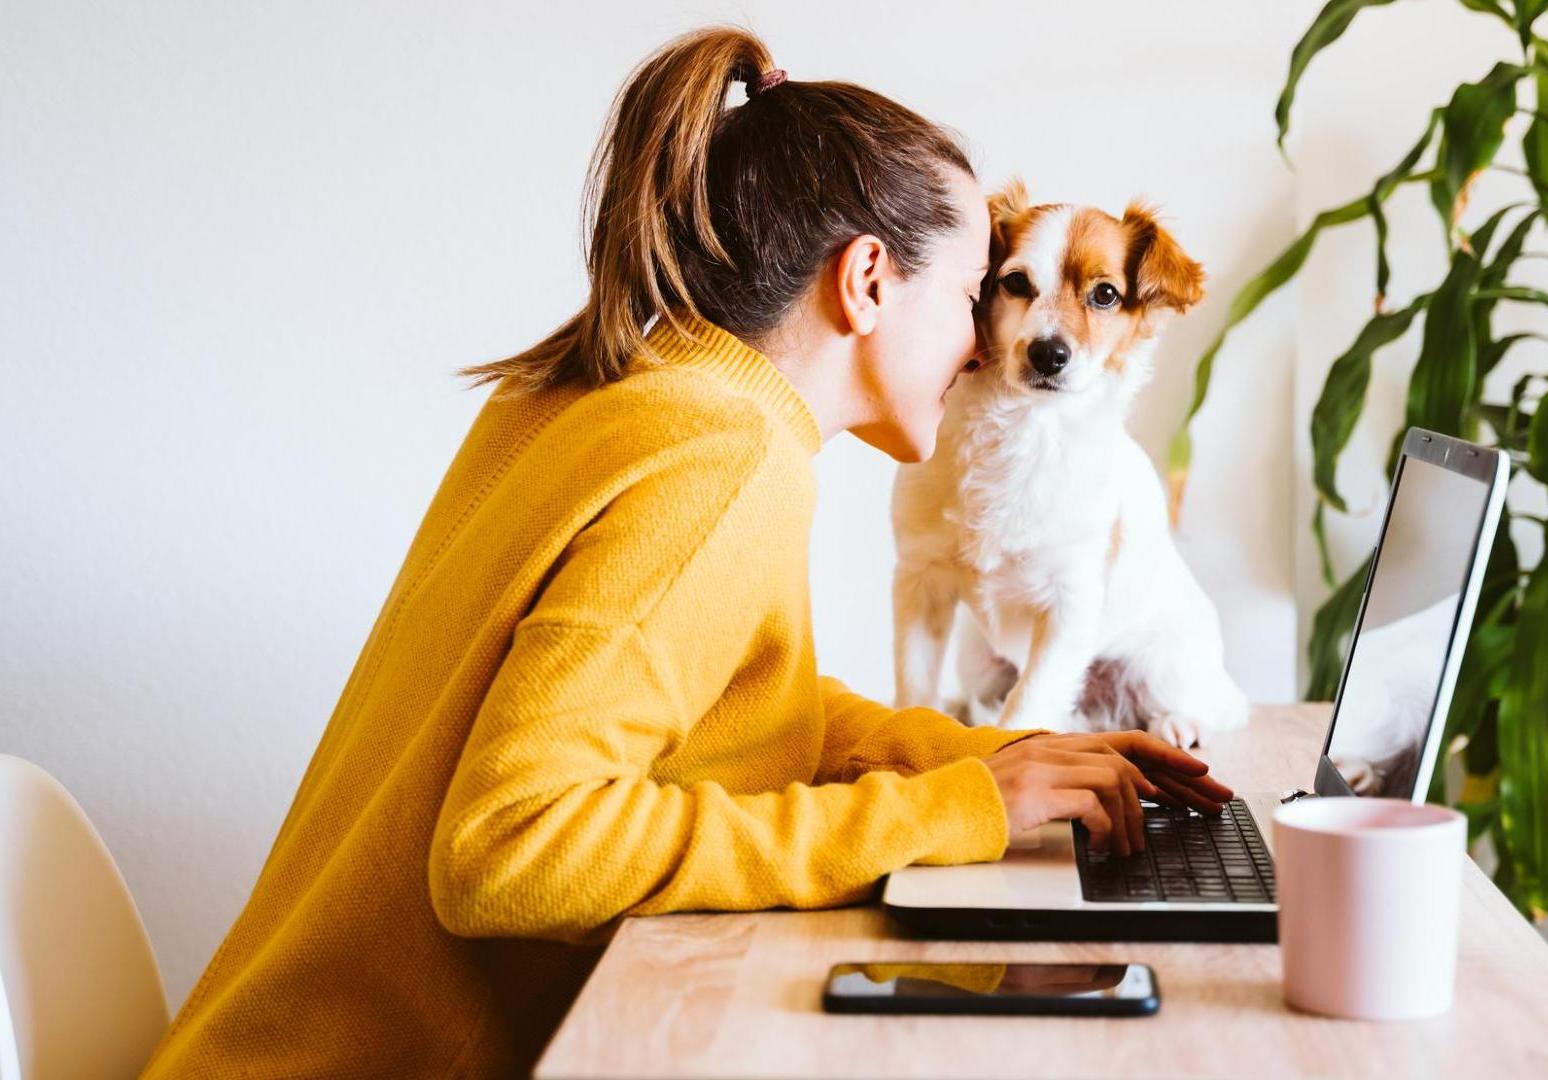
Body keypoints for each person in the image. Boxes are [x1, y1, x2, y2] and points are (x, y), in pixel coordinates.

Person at [141, 26, 1233, 1077]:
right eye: (967, 298)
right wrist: (948, 813)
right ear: (865, 283)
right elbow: (511, 852)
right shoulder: (722, 460)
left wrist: (972, 765)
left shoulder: (621, 388)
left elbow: (734, 709)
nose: (982, 347)